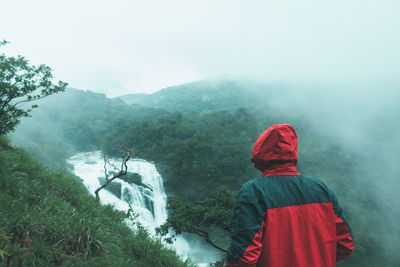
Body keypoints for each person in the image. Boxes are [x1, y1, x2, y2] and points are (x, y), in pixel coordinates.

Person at [226, 124, 354, 267]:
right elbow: (345, 243)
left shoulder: (255, 191)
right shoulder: (320, 189)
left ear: (260, 153)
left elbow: (244, 257)